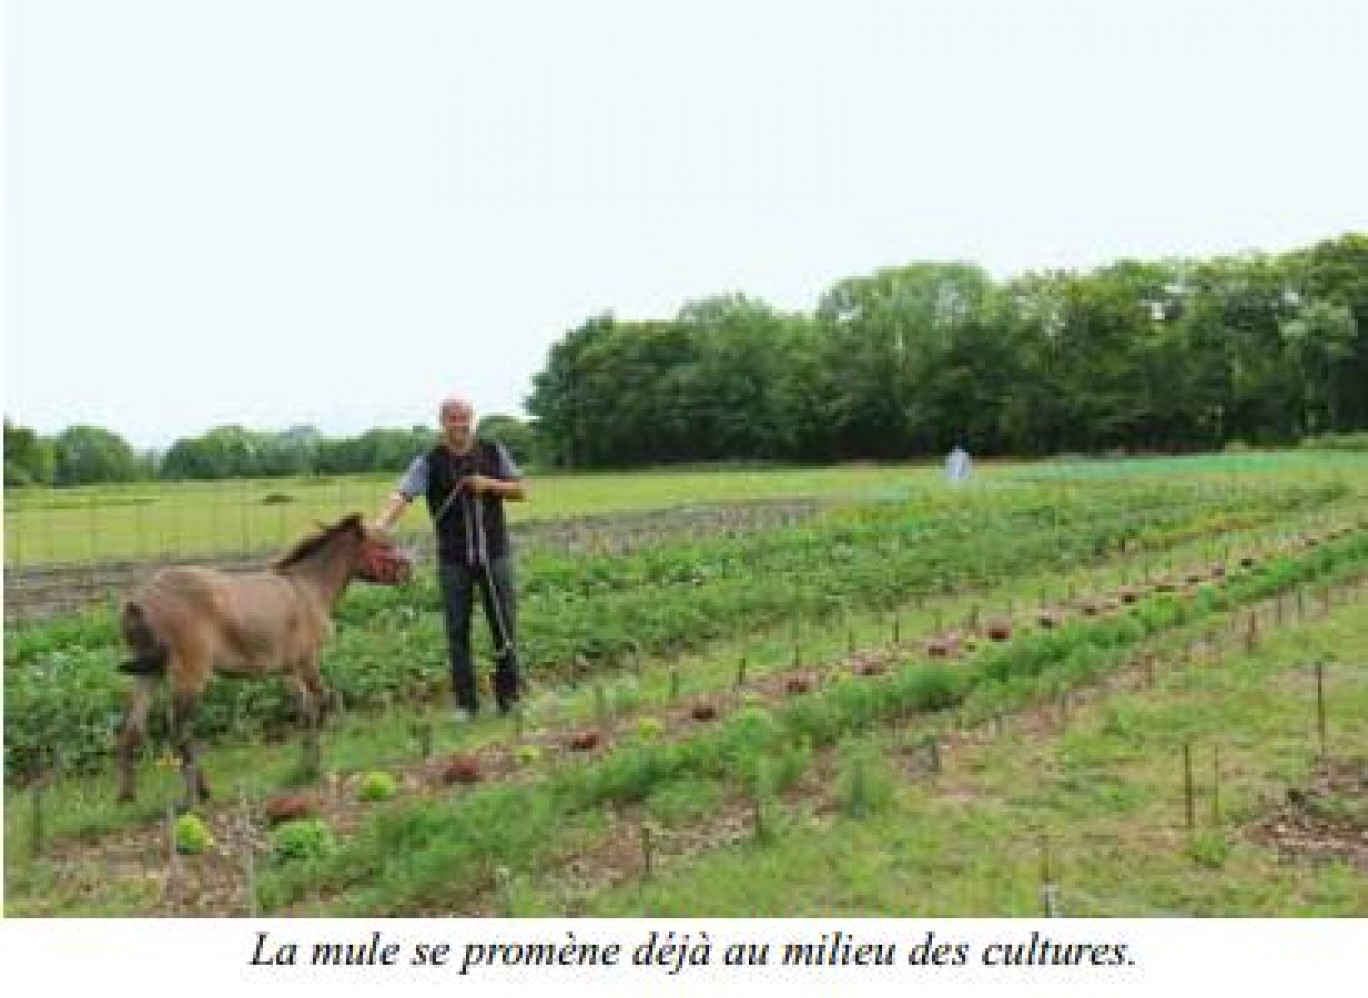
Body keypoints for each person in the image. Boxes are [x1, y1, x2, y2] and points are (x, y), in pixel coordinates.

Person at [372, 396, 527, 721]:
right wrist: (381, 524)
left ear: (472, 419)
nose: (459, 424)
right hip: (454, 560)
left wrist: (489, 484)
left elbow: (520, 489)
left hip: (494, 555)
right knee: (457, 632)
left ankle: (509, 698)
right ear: (443, 422)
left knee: (504, 625)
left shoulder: (492, 450)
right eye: (452, 418)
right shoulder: (428, 461)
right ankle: (466, 705)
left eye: (464, 417)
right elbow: (402, 494)